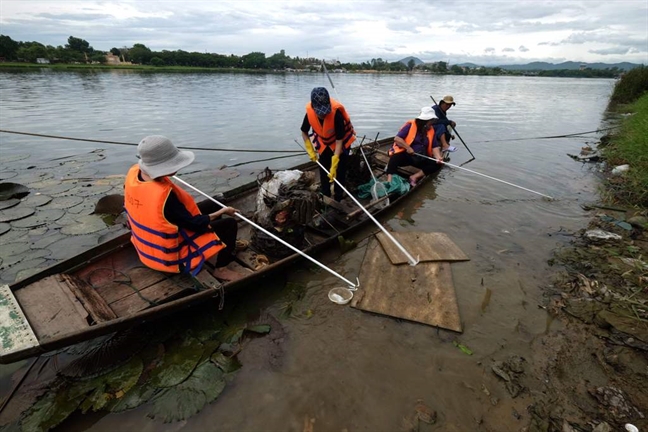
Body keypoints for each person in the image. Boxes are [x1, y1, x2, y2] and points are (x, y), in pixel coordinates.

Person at [124, 135, 243, 281]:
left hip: (147, 247)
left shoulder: (135, 174)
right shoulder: (165, 197)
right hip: (170, 256)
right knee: (229, 224)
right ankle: (221, 269)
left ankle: (224, 244)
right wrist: (223, 212)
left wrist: (219, 208)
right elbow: (196, 224)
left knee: (217, 202)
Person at [301, 87, 356, 201]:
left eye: (325, 111)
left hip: (341, 142)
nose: (323, 114)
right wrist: (310, 149)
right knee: (324, 168)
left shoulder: (336, 115)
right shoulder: (309, 113)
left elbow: (339, 141)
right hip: (324, 142)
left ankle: (338, 197)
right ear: (313, 107)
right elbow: (304, 132)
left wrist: (335, 161)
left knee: (339, 170)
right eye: (320, 112)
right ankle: (325, 195)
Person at [386, 107, 444, 187]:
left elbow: (435, 146)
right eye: (431, 120)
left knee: (437, 164)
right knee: (394, 159)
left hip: (421, 157)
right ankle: (390, 181)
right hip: (408, 155)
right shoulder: (410, 125)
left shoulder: (431, 130)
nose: (432, 122)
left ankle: (414, 177)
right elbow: (397, 139)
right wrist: (408, 148)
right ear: (424, 121)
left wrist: (438, 157)